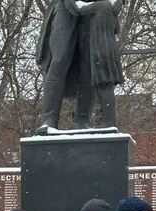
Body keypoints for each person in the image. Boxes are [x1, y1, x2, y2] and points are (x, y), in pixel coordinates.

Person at [35, 0, 124, 133]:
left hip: (97, 6)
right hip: (66, 6)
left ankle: (83, 119)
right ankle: (50, 119)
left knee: (90, 63)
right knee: (59, 60)